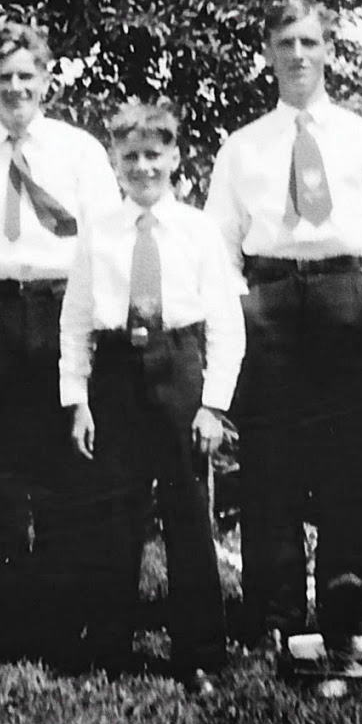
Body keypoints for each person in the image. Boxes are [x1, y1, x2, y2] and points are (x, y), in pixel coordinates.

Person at [205, 0, 362, 676]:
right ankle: (275, 616)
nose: (297, 54)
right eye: (284, 42)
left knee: (346, 464)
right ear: (266, 52)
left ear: (328, 50)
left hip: (339, 296)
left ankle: (349, 615)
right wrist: (244, 305)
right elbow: (217, 240)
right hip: (267, 297)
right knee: (269, 464)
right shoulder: (243, 146)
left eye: (309, 41)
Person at [0, 19, 120, 667]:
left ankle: (62, 620)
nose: (15, 88)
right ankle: (1, 622)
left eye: (26, 75)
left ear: (46, 78)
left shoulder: (80, 151)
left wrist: (97, 335)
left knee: (66, 467)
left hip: (62, 307)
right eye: (2, 77)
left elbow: (105, 242)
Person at [60, 100, 246, 693]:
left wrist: (213, 403)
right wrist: (79, 397)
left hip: (178, 366)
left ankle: (198, 653)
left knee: (188, 514)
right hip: (115, 369)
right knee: (116, 512)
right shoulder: (99, 231)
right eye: (130, 156)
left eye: (153, 155)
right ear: (115, 162)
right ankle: (110, 644)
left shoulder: (198, 230)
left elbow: (224, 321)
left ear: (174, 158)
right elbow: (76, 319)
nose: (142, 167)